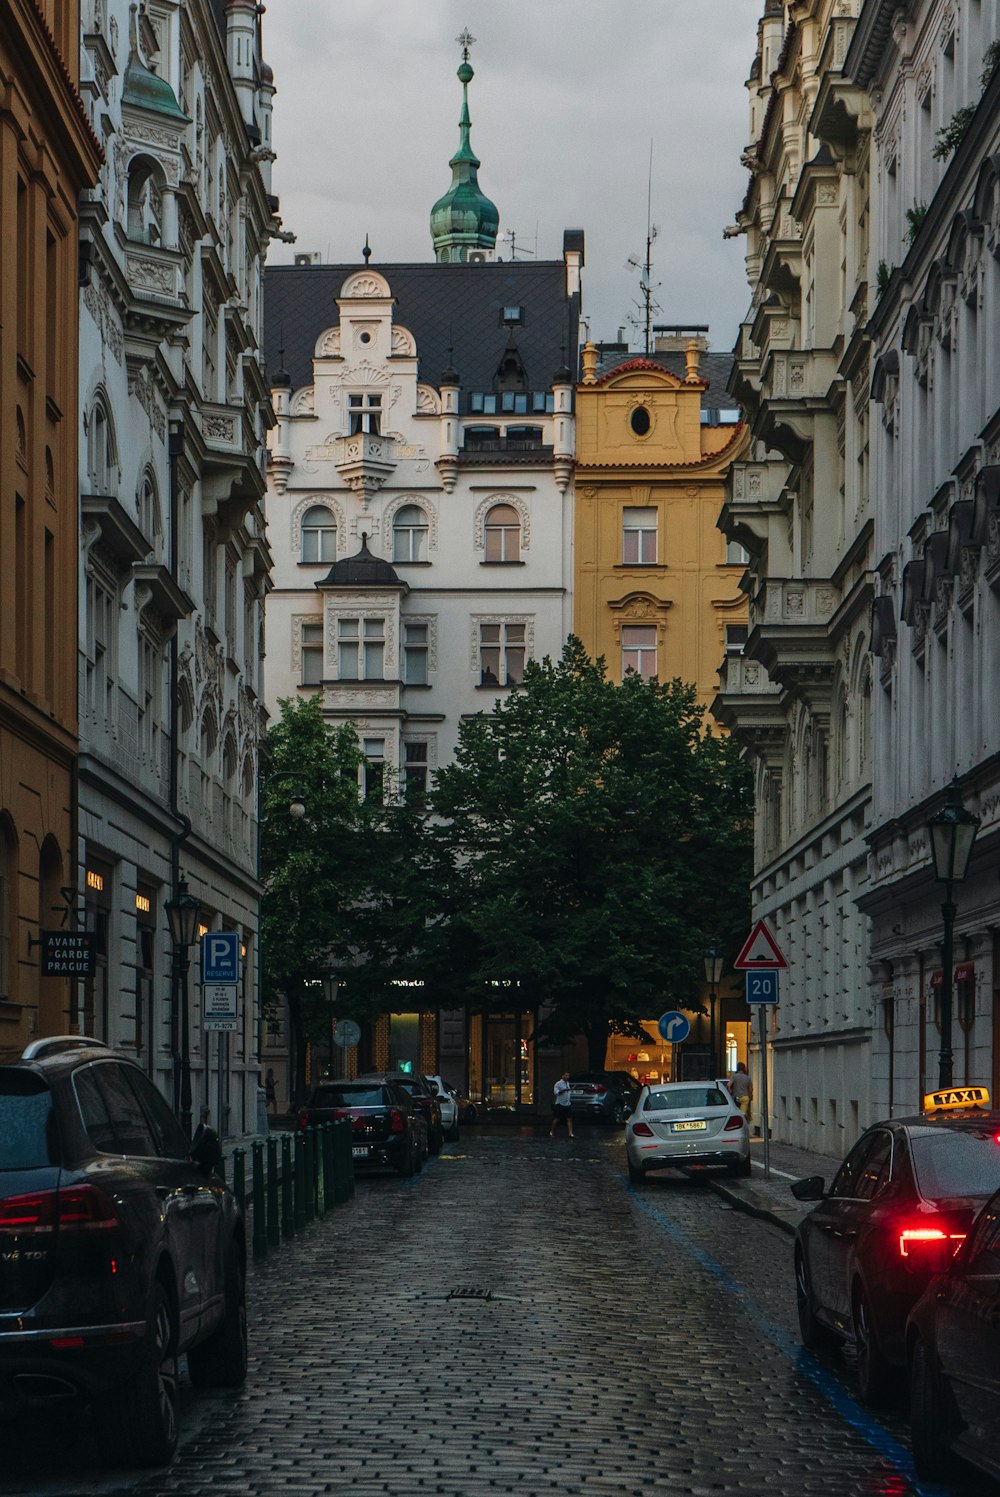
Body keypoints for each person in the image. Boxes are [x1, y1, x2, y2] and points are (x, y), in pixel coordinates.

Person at [549, 1071, 574, 1138]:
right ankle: (552, 1131)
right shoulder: (558, 1084)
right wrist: (564, 1090)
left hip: (567, 1104)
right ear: (562, 1076)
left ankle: (570, 1133)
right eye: (566, 1075)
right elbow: (556, 1093)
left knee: (569, 1118)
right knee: (557, 1118)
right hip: (560, 1104)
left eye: (568, 1075)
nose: (567, 1077)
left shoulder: (567, 1083)